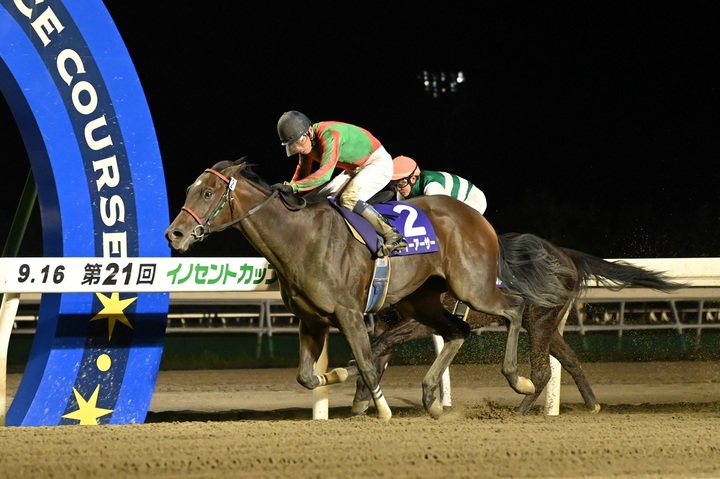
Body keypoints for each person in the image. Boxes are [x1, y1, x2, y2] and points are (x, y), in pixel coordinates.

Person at [277, 110, 408, 257]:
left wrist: (293, 187)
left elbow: (324, 175)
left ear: (310, 131)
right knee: (313, 199)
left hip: (378, 162)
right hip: (355, 169)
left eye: (300, 141)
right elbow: (302, 172)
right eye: (293, 145)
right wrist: (289, 188)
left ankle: (393, 235)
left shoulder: (329, 134)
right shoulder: (307, 146)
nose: (299, 148)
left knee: (348, 198)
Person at [391, 155, 487, 215]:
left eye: (401, 183)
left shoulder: (432, 187)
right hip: (451, 203)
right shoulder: (401, 190)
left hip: (473, 199)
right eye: (394, 184)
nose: (398, 189)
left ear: (413, 178)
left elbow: (441, 214)